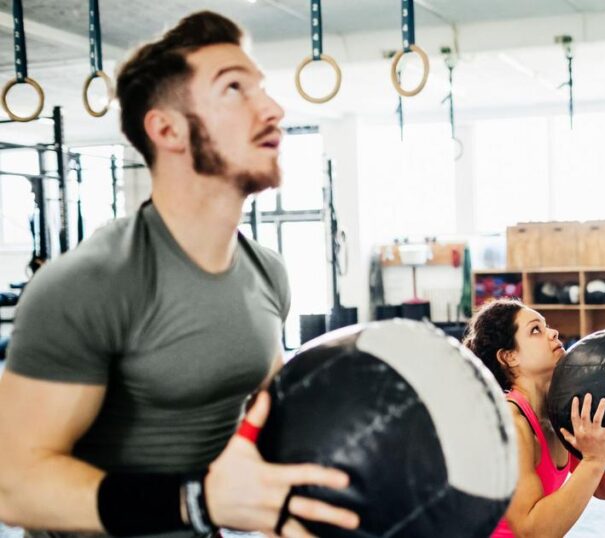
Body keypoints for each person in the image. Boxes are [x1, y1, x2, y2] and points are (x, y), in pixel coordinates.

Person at [0, 12, 358, 537]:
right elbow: (14, 485)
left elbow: (272, 413)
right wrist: (197, 501)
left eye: (262, 87)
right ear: (166, 128)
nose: (274, 109)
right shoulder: (93, 282)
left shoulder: (266, 271)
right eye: (235, 88)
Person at [463, 298, 605, 537]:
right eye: (535, 330)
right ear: (509, 357)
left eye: (546, 325)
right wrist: (594, 460)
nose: (553, 332)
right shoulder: (509, 424)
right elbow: (531, 532)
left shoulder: (558, 413)